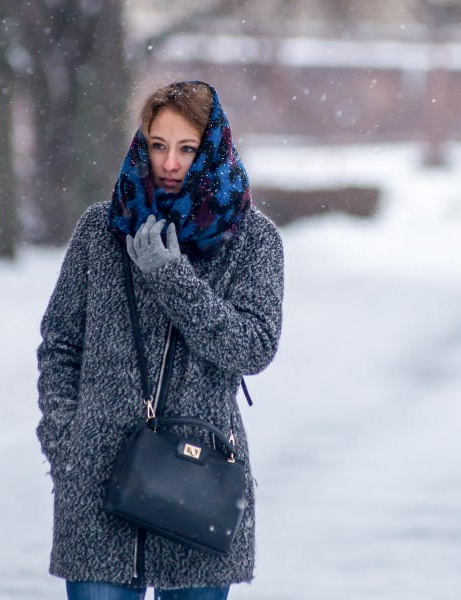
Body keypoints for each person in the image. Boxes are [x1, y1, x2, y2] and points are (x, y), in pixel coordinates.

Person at [36, 81, 284, 599]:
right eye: (157, 144)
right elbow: (60, 344)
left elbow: (253, 346)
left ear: (212, 147)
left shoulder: (253, 240)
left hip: (201, 479)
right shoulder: (100, 231)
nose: (169, 162)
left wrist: (173, 279)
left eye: (187, 148)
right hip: (97, 486)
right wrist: (67, 444)